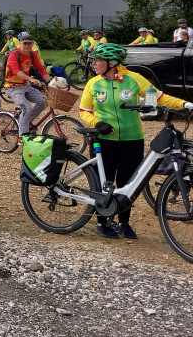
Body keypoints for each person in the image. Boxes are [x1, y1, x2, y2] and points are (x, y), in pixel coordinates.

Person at [77, 43, 193, 239]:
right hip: (105, 139)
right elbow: (84, 111)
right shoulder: (93, 83)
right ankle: (101, 222)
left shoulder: (133, 79)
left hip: (132, 139)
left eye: (98, 60)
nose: (94, 63)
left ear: (111, 63)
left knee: (128, 182)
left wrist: (185, 103)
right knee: (104, 182)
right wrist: (97, 122)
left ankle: (124, 223)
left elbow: (159, 97)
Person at [3, 31, 47, 136]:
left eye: (29, 43)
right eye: (25, 43)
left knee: (43, 101)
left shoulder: (31, 54)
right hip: (12, 87)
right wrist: (31, 79)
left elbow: (40, 68)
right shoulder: (14, 54)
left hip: (25, 86)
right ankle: (22, 138)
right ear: (20, 44)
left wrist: (49, 82)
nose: (27, 46)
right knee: (26, 108)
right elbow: (16, 71)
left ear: (32, 44)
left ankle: (24, 120)